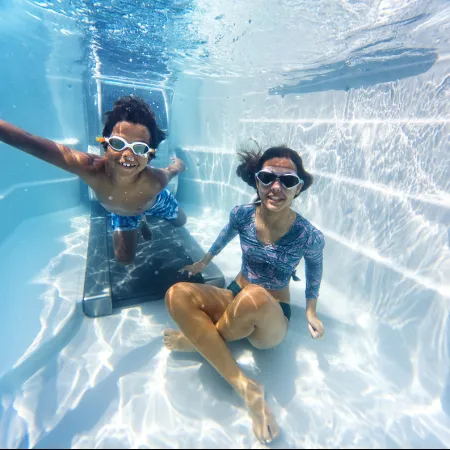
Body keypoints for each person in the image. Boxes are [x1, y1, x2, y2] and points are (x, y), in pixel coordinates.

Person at [163, 145, 325, 444]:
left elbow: (315, 269)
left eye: (287, 181)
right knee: (176, 295)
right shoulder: (242, 215)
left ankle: (199, 340)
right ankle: (245, 384)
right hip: (234, 294)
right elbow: (224, 235)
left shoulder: (309, 236)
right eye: (267, 178)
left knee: (255, 295)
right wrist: (203, 263)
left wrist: (310, 311)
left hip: (270, 313)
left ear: (298, 188)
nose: (276, 187)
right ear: (257, 181)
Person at [0, 95, 186, 264]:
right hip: (122, 213)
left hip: (155, 202)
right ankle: (139, 220)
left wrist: (178, 164)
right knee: (124, 260)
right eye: (118, 143)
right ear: (105, 145)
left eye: (139, 148)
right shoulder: (91, 169)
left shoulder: (155, 181)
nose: (128, 155)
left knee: (181, 222)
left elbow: (171, 171)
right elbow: (28, 141)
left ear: (149, 155)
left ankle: (143, 217)